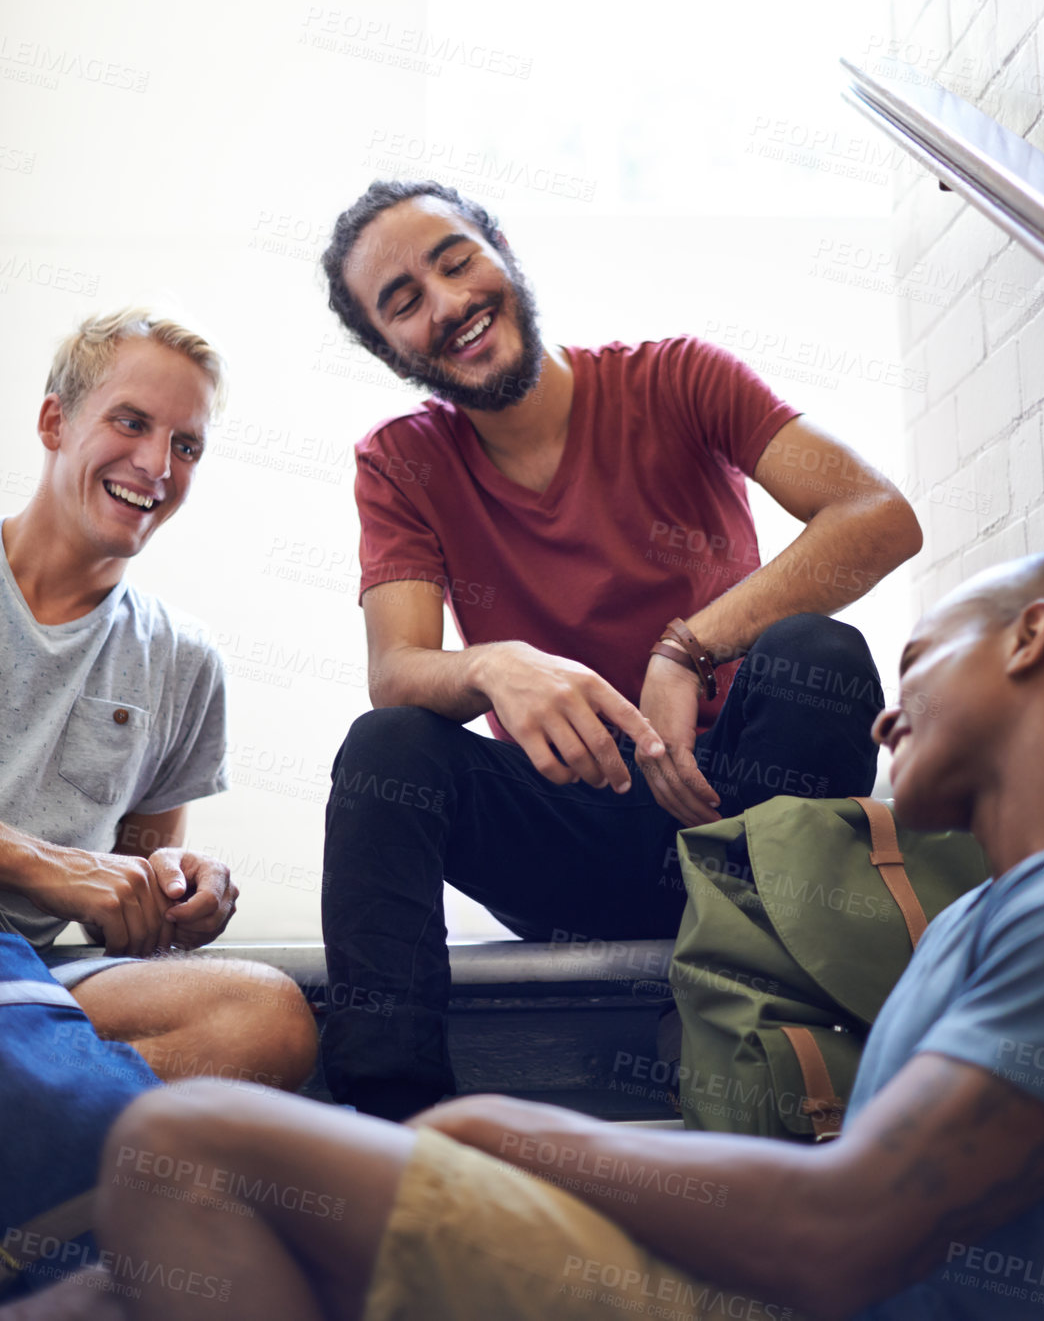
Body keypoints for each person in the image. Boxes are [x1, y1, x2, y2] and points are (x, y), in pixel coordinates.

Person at [14, 547, 1044, 1321]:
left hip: (812, 1294)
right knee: (125, 1276)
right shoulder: (990, 911)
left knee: (193, 1141)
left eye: (916, 667)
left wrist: (519, 1133)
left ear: (1031, 638)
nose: (885, 714)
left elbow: (844, 1227)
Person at [315, 181, 923, 1118]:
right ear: (386, 348)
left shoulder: (678, 378)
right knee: (385, 746)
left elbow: (877, 515)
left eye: (453, 259)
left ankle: (760, 1013)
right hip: (573, 835)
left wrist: (687, 648)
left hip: (738, 819)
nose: (445, 303)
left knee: (819, 652)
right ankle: (391, 1126)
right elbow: (396, 670)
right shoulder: (399, 460)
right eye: (401, 302)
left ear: (501, 250)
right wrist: (489, 663)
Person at [0, 309, 317, 1089]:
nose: (155, 464)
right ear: (54, 421)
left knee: (264, 1017)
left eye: (186, 445)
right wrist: (44, 865)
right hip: (24, 998)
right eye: (131, 422)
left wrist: (175, 886)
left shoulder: (183, 658)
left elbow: (133, 903)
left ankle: (45, 1105)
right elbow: (72, 874)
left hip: (34, 987)